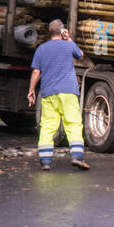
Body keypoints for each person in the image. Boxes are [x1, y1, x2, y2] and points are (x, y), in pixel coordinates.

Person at [27, 19, 89, 171]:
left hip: (49, 93)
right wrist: (69, 39)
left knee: (48, 127)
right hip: (68, 92)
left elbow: (36, 71)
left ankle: (46, 161)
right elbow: (80, 54)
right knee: (73, 123)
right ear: (62, 31)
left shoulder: (41, 49)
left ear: (50, 32)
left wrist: (31, 90)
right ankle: (77, 157)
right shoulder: (68, 45)